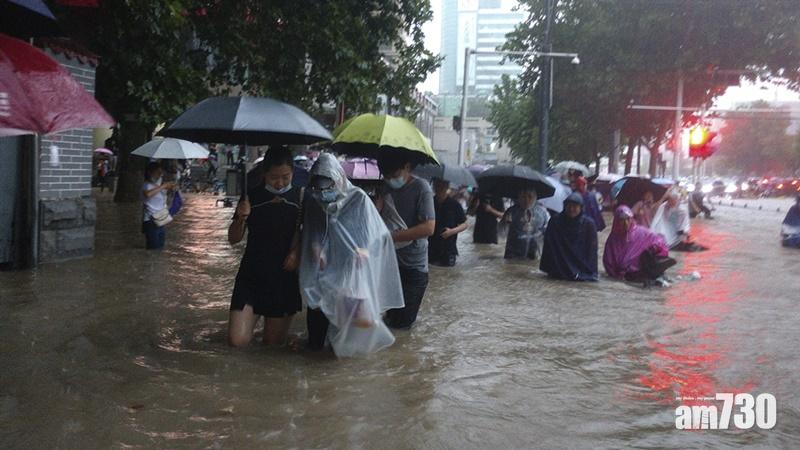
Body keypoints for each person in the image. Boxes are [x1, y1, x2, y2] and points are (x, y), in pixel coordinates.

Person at [299, 153, 404, 356]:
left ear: (338, 179)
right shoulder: (313, 200)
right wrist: (316, 246)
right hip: (322, 272)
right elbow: (313, 230)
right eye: (318, 189)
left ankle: (340, 361)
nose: (323, 194)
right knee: (316, 336)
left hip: (349, 271)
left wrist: (364, 250)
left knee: (347, 327)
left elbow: (374, 233)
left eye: (328, 188)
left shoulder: (358, 199)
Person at [227, 146, 302, 347]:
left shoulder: (301, 198)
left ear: (293, 173)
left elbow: (311, 234)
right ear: (264, 174)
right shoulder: (250, 197)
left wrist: (297, 253)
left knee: (272, 346)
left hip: (283, 277)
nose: (280, 183)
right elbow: (233, 239)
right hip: (251, 274)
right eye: (274, 177)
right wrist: (240, 218)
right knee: (237, 341)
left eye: (286, 177)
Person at [377, 154, 436, 330]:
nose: (390, 179)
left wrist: (392, 236)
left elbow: (429, 228)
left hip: (414, 267)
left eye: (394, 174)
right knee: (388, 320)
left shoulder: (421, 188)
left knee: (402, 326)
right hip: (390, 264)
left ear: (407, 167)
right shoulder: (385, 188)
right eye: (386, 175)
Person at [603, 206, 676, 284]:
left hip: (643, 273)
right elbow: (608, 262)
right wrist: (616, 276)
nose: (626, 223)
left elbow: (660, 242)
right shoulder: (612, 239)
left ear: (631, 219)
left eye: (628, 219)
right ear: (616, 221)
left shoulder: (642, 232)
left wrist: (653, 248)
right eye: (622, 220)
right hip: (626, 277)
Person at [539, 193, 598, 281]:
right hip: (558, 267)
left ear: (581, 208)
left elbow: (591, 251)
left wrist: (590, 271)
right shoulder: (555, 221)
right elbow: (548, 246)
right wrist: (548, 268)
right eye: (569, 206)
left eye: (575, 206)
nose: (571, 209)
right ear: (564, 206)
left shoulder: (589, 224)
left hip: (580, 268)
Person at [428, 178, 468, 267]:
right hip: (431, 247)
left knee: (447, 271)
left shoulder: (454, 204)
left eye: (442, 186)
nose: (439, 189)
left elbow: (465, 224)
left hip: (449, 249)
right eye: (437, 186)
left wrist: (452, 231)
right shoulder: (429, 203)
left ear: (447, 187)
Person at [503, 189, 549, 260]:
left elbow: (548, 231)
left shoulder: (542, 213)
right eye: (523, 197)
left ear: (535, 198)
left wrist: (535, 229)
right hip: (513, 252)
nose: (526, 200)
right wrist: (506, 223)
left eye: (530, 197)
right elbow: (501, 233)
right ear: (519, 198)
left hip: (534, 251)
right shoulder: (511, 211)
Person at [141, 162, 177, 250]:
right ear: (150, 172)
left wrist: (171, 189)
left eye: (161, 173)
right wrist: (163, 186)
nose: (160, 175)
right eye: (158, 172)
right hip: (150, 220)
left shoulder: (157, 185)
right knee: (153, 248)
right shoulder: (146, 185)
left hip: (160, 219)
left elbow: (163, 200)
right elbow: (148, 194)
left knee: (160, 247)